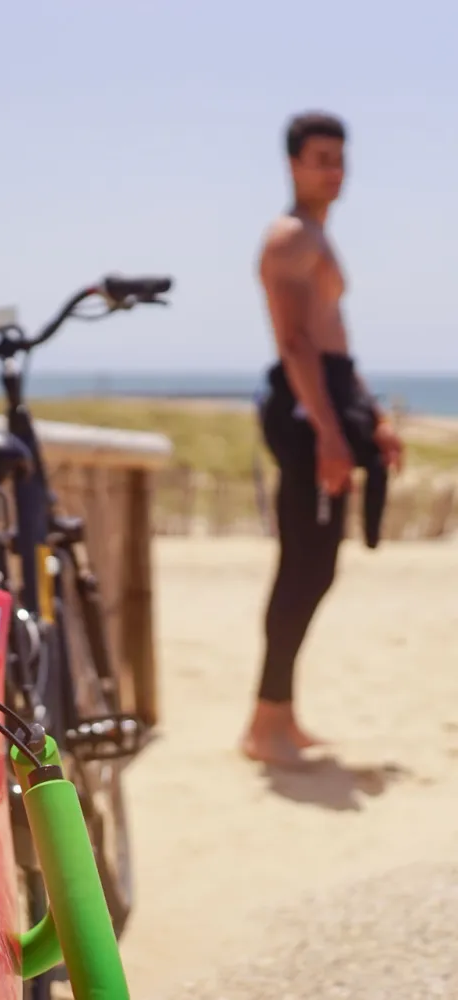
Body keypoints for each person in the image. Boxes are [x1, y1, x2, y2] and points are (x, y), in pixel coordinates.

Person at [241, 111, 404, 767]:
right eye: (320, 159)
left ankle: (280, 713)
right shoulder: (287, 238)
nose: (334, 171)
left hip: (331, 401)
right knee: (302, 567)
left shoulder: (316, 236)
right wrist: (332, 434)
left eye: (340, 159)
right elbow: (297, 343)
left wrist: (373, 417)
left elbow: (337, 343)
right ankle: (262, 725)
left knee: (318, 566)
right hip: (308, 411)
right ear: (292, 164)